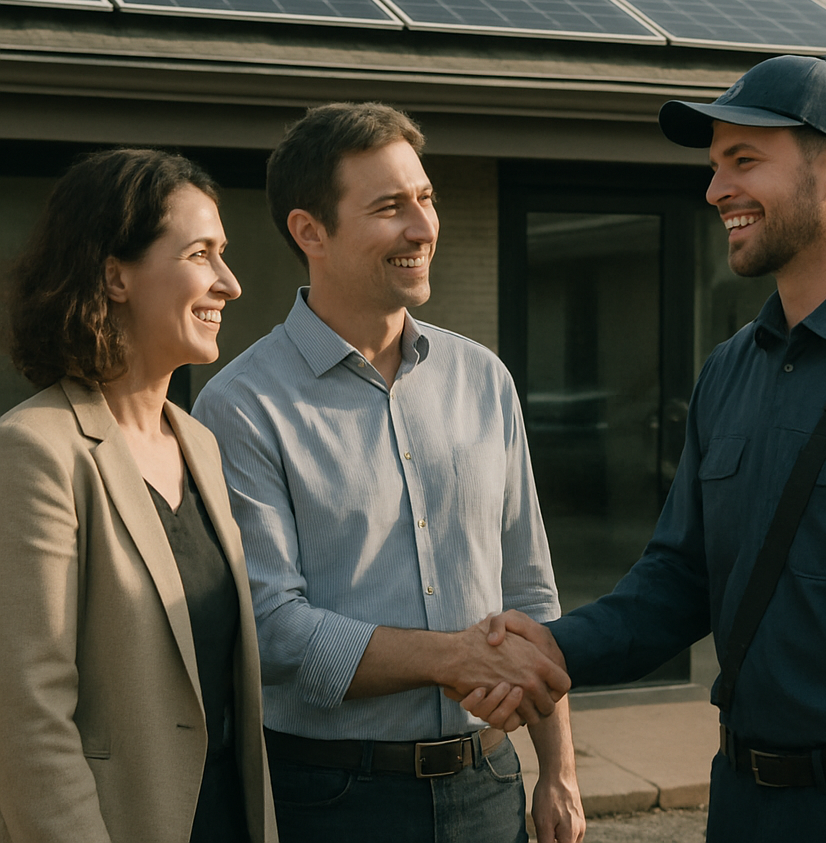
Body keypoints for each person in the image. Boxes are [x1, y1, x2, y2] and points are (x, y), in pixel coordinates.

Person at [466, 55, 826, 842]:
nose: (715, 189)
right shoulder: (731, 367)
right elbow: (678, 580)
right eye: (714, 164)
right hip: (741, 805)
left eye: (744, 160)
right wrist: (552, 647)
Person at [191, 103, 584, 843]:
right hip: (334, 798)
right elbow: (274, 631)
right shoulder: (241, 407)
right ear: (311, 231)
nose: (423, 228)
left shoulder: (484, 380)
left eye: (426, 199)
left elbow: (531, 590)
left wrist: (557, 771)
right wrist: (453, 658)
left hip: (489, 781)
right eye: (390, 207)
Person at [0, 149, 277, 843]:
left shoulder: (200, 445)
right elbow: (26, 719)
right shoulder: (36, 451)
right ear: (114, 276)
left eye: (225, 255)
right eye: (201, 254)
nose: (230, 283)